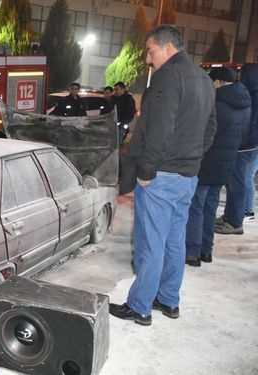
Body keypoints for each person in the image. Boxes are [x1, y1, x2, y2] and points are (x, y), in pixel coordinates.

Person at [110, 25, 217, 326]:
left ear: (167, 48)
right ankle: (169, 300)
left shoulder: (168, 76)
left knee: (151, 243)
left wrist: (147, 170)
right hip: (188, 175)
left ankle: (140, 306)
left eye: (150, 51)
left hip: (160, 175)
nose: (148, 58)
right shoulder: (204, 78)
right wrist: (191, 159)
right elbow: (211, 129)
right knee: (174, 240)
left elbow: (159, 128)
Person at [184, 67, 251, 267]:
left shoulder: (215, 101)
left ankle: (192, 252)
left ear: (219, 82)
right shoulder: (246, 103)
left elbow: (202, 132)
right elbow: (244, 138)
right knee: (210, 207)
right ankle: (206, 251)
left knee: (196, 206)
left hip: (206, 161)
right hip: (227, 163)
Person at [215, 63, 258, 234]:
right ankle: (231, 216)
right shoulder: (251, 93)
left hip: (245, 147)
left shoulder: (252, 95)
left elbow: (250, 124)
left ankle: (234, 221)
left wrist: (240, 142)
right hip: (249, 145)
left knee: (237, 183)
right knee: (238, 181)